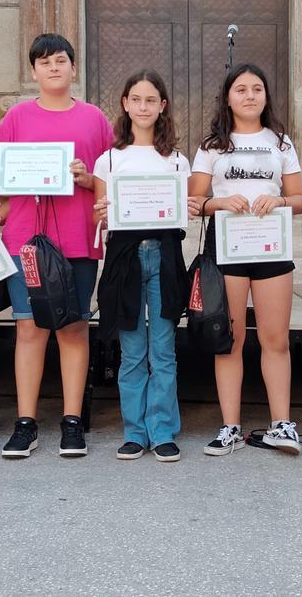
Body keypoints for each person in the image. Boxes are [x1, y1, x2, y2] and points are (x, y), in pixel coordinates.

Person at [0, 33, 112, 459]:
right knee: (29, 327)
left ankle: (72, 420)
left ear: (73, 68)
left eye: (61, 60)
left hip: (77, 239)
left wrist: (84, 179)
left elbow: (110, 179)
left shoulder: (95, 119)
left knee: (74, 327)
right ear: (34, 71)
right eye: (44, 62)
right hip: (26, 239)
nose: (54, 67)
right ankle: (26, 422)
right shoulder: (16, 118)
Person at [187, 62, 302, 456]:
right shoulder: (211, 146)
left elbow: (301, 201)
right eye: (241, 89)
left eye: (257, 88)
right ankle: (230, 427)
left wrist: (281, 200)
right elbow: (195, 201)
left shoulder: (282, 143)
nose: (250, 95)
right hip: (228, 251)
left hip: (271, 248)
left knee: (276, 339)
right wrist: (220, 202)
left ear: (266, 96)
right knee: (231, 341)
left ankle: (282, 425)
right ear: (228, 97)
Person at [93, 70, 190, 463]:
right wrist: (102, 212)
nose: (144, 106)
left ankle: (163, 431)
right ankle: (135, 432)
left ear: (162, 106)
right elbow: (101, 217)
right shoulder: (109, 159)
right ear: (125, 104)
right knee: (132, 352)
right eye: (136, 99)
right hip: (125, 259)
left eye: (151, 100)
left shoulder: (178, 160)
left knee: (163, 349)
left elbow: (182, 216)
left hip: (164, 255)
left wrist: (189, 208)